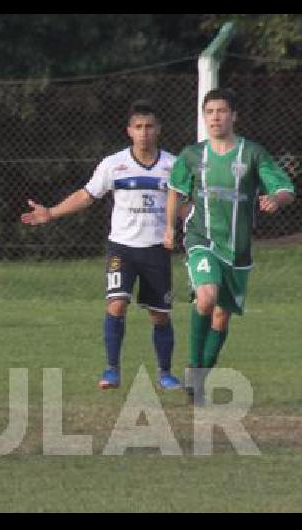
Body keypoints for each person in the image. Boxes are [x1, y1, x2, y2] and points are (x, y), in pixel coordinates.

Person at [21, 100, 182, 391]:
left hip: (157, 249)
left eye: (149, 127)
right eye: (138, 127)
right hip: (122, 248)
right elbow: (87, 195)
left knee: (159, 314)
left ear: (158, 130)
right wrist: (51, 212)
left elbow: (184, 205)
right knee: (117, 304)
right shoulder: (113, 164)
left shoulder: (174, 165)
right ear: (129, 131)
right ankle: (111, 370)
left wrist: (200, 225)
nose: (144, 133)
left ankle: (166, 373)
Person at [163, 88, 296, 405]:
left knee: (221, 318)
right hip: (201, 240)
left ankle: (201, 378)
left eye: (221, 111)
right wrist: (170, 227)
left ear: (234, 116)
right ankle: (195, 370)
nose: (215, 117)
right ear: (204, 117)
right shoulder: (192, 155)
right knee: (206, 298)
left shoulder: (252, 154)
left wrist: (275, 199)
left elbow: (284, 188)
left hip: (237, 249)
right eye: (209, 112)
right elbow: (175, 190)